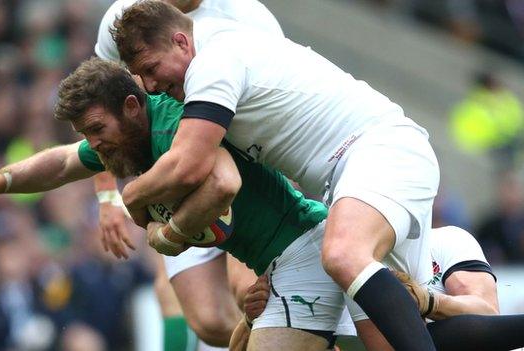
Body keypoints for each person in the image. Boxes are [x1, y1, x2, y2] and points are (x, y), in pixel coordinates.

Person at [0, 58, 349, 351]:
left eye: (95, 129)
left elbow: (223, 183)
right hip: (277, 262)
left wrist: (160, 227)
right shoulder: (128, 139)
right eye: (84, 132)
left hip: (303, 248)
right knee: (233, 327)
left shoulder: (175, 128)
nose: (93, 144)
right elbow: (61, 162)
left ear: (131, 106)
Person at [112, 1, 439, 350]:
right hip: (359, 168)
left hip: (375, 151)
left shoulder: (212, 64)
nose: (149, 85)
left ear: (180, 41)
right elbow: (73, 154)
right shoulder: (216, 48)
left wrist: (129, 198)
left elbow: (188, 165)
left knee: (343, 253)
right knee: (394, 336)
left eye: (151, 68)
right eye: (140, 76)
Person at [91, 1, 285, 348]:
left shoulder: (247, 16)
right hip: (169, 175)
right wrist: (107, 197)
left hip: (240, 166)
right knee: (205, 319)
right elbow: (95, 102)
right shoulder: (120, 19)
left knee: (246, 291)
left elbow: (274, 108)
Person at [240, 226, 524, 351]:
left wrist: (430, 302)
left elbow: (488, 315)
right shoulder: (330, 261)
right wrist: (251, 320)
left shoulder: (448, 240)